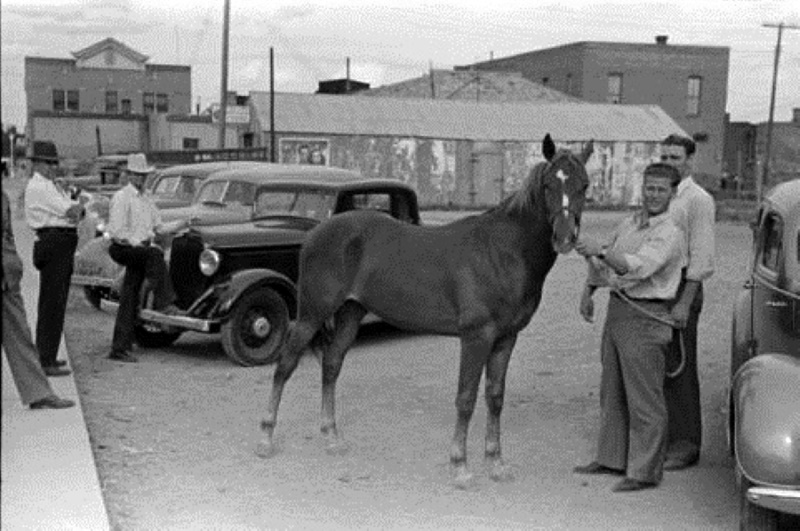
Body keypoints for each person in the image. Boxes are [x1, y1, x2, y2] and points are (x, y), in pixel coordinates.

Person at [573, 163, 686, 492]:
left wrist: (601, 251)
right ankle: (611, 459)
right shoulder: (629, 223)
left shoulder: (670, 232)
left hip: (648, 315)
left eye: (660, 189)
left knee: (644, 399)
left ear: (673, 193)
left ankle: (644, 471)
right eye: (649, 187)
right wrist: (589, 289)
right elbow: (605, 262)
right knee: (612, 390)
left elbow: (637, 267)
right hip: (619, 310)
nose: (652, 194)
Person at [659, 134, 715, 471]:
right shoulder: (659, 194)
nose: (668, 163)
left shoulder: (697, 200)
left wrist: (684, 303)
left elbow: (702, 257)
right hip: (656, 284)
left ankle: (685, 444)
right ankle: (660, 440)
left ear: (689, 162)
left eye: (675, 158)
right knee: (657, 365)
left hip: (683, 287)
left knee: (679, 364)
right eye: (664, 157)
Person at [106, 153, 189, 363]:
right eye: (137, 175)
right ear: (129, 175)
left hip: (139, 251)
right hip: (123, 247)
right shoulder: (122, 197)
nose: (141, 179)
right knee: (154, 255)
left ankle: (120, 346)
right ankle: (164, 301)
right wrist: (138, 243)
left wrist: (182, 223)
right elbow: (117, 231)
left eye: (143, 175)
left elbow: (159, 227)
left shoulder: (147, 199)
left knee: (129, 294)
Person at [2, 189, 75, 409]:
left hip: (7, 274)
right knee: (19, 333)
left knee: (19, 334)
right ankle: (38, 392)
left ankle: (38, 392)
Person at [23, 140, 85, 377]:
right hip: (54, 241)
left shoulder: (49, 186)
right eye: (47, 163)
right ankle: (44, 357)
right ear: (37, 164)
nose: (51, 167)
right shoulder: (41, 186)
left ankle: (47, 354)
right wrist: (80, 204)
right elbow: (72, 211)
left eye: (52, 163)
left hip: (58, 241)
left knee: (55, 302)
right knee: (52, 302)